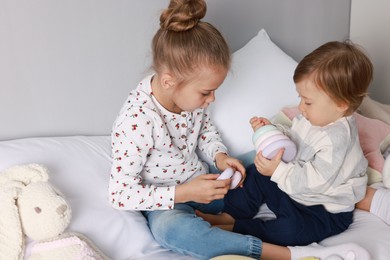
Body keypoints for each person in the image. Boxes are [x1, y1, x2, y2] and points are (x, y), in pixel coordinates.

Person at [108, 0, 371, 259]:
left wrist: (220, 157)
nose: (211, 100)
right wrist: (185, 192)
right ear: (169, 81)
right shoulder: (137, 122)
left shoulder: (187, 97)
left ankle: (229, 216)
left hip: (209, 184)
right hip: (169, 200)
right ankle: (285, 254)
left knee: (261, 158)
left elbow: (204, 132)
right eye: (206, 92)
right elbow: (120, 194)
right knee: (172, 232)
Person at [198, 41, 375, 247]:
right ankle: (229, 215)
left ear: (341, 104)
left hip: (322, 208)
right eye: (301, 98)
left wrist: (278, 172)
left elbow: (316, 181)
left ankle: (238, 228)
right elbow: (295, 139)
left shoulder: (338, 139)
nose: (301, 106)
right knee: (255, 173)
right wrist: (271, 131)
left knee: (291, 232)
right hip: (294, 188)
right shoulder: (315, 117)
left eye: (307, 102)